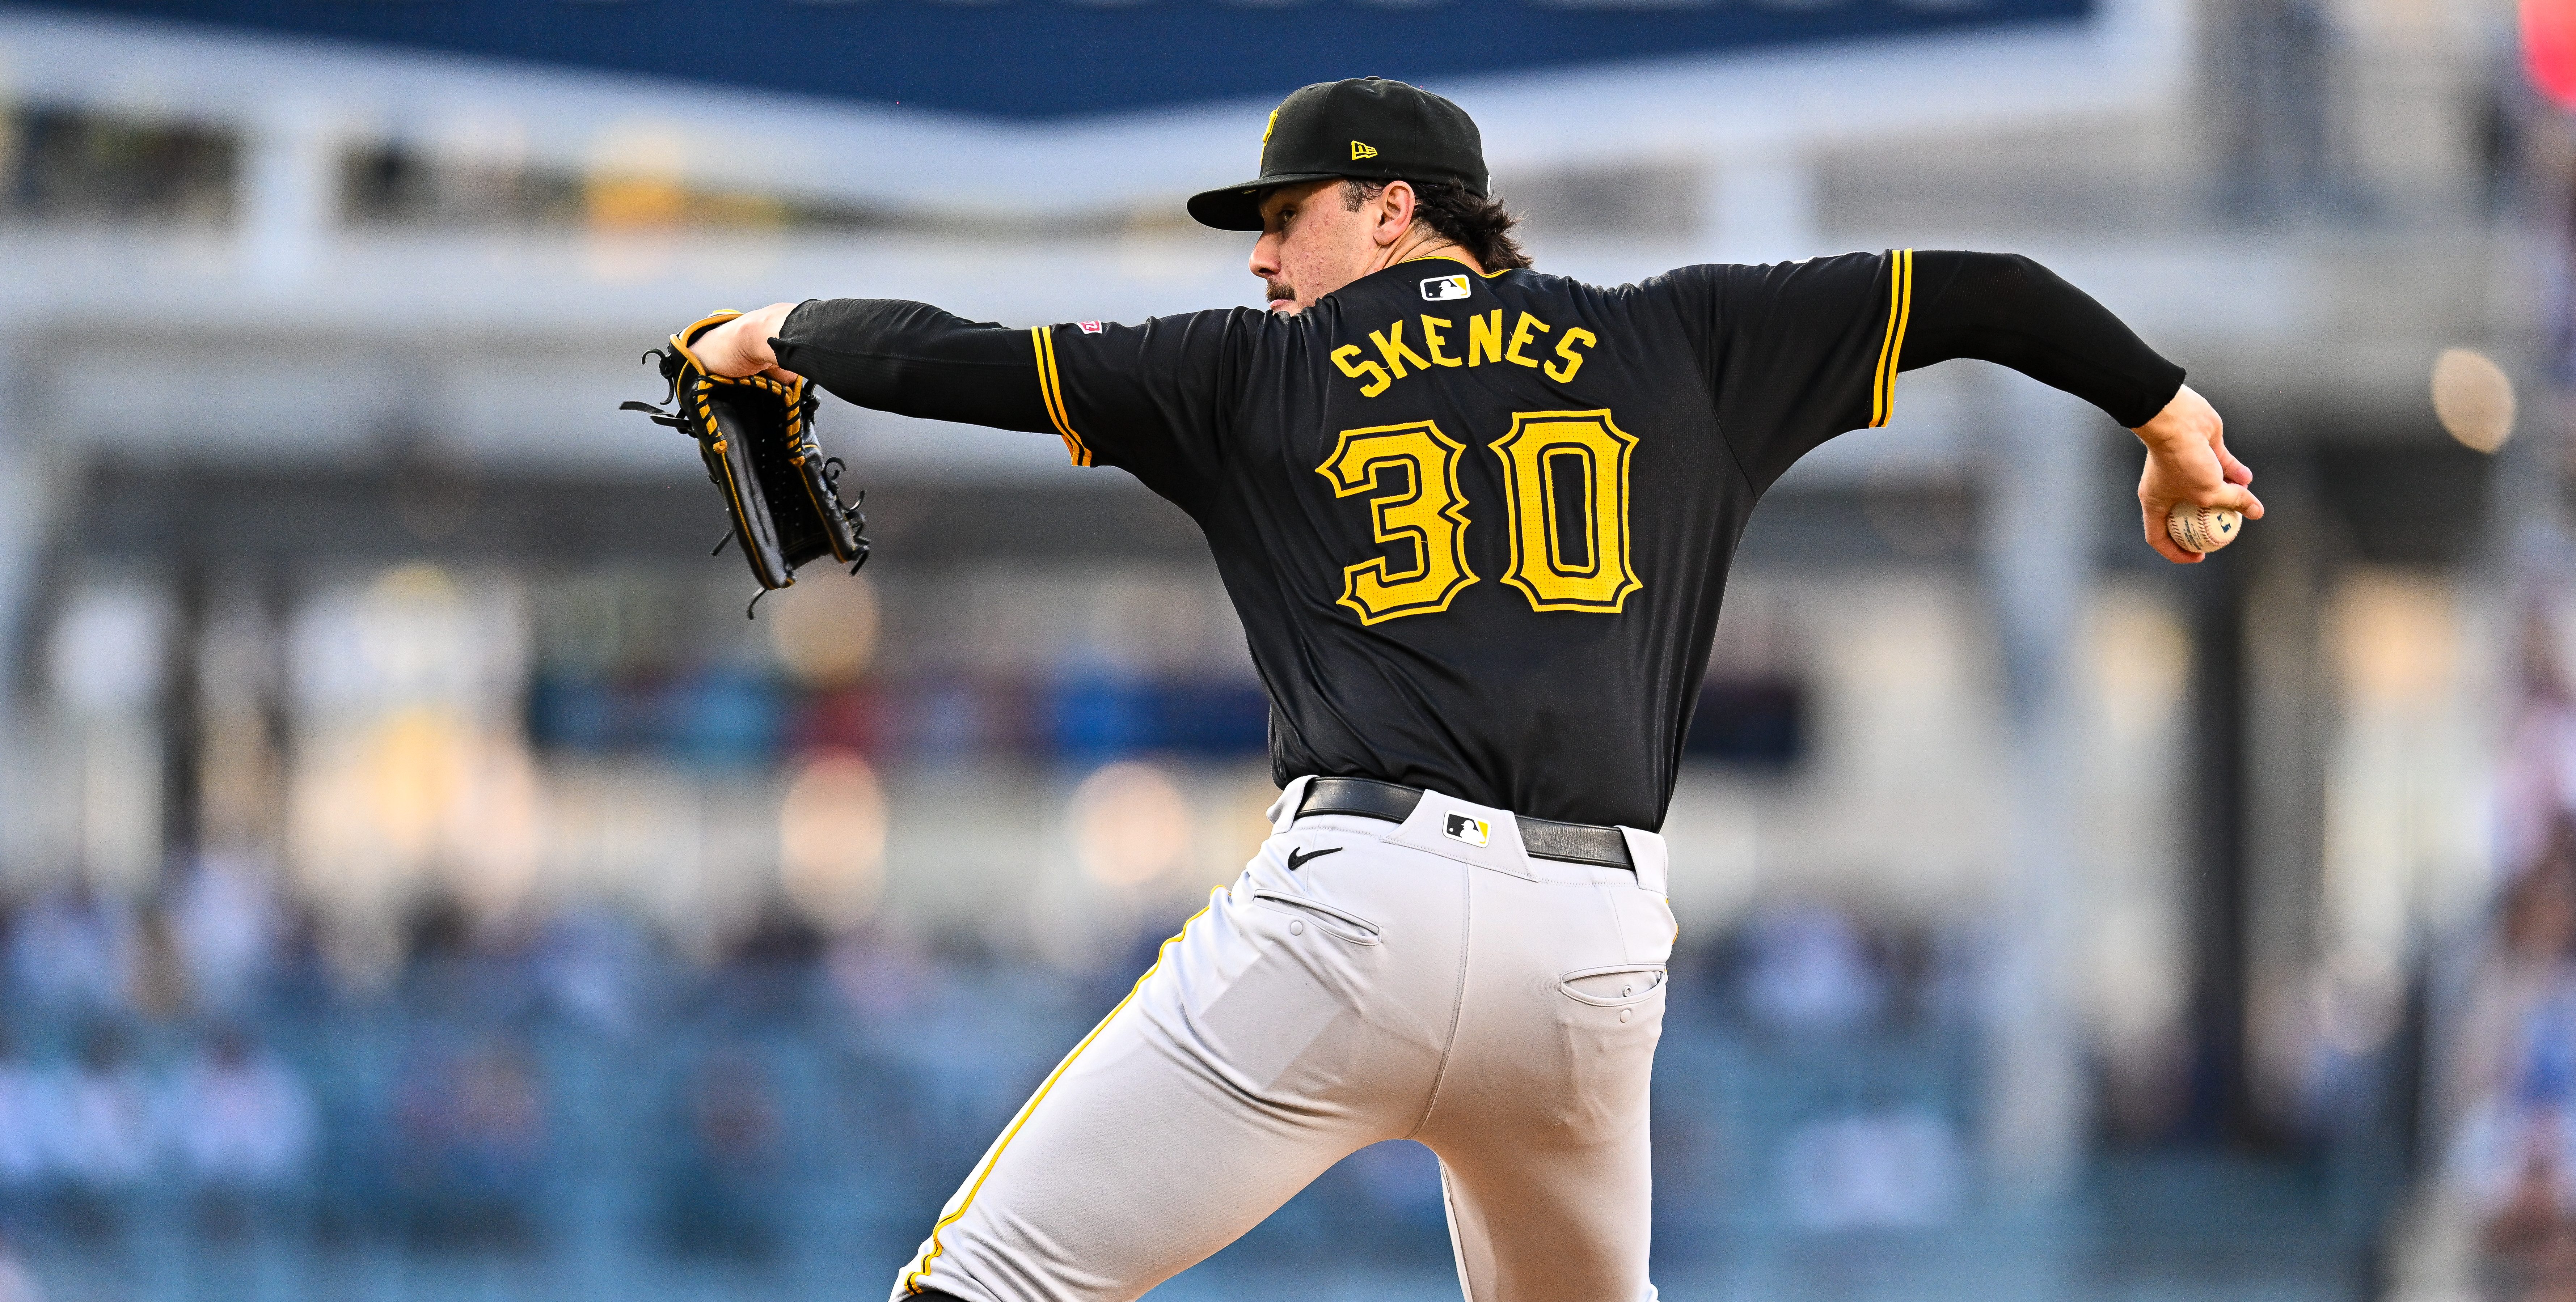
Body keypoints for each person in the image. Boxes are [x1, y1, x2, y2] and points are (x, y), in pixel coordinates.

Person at [680, 76, 2261, 1302]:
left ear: (1387, 208)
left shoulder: (1241, 369)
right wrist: (2170, 412)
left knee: (989, 1283)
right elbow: (1981, 288)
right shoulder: (1682, 339)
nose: (1257, 251)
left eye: (1283, 214)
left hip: (1348, 917)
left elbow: (946, 353)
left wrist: (769, 334)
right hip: (1587, 956)